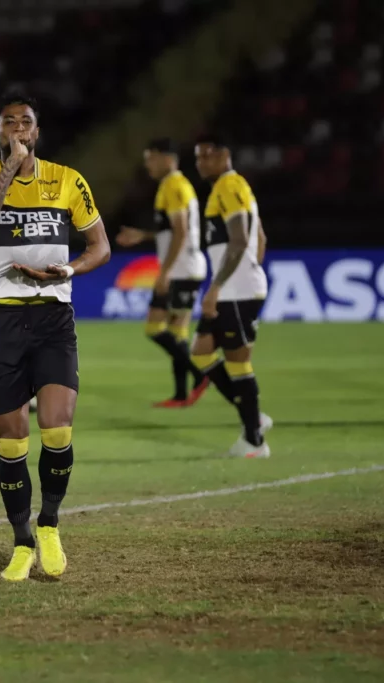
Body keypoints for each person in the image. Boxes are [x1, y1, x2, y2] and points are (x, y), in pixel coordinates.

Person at [0, 91, 111, 581]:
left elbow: (100, 247)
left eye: (26, 123)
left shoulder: (68, 181)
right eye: (9, 123)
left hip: (52, 319)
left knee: (58, 427)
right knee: (11, 441)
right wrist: (13, 167)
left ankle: (49, 524)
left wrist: (66, 269)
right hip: (2, 322)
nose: (19, 130)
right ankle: (21, 540)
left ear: (37, 131)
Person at [190, 137, 272, 458]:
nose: (200, 163)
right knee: (201, 353)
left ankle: (254, 441)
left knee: (238, 363)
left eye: (207, 156)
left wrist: (218, 287)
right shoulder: (234, 187)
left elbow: (239, 241)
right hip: (238, 286)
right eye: (197, 158)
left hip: (234, 291)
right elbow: (260, 238)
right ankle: (254, 417)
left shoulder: (228, 185)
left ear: (225, 155)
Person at [116, 138, 209, 408]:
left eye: (151, 158)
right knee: (177, 332)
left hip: (182, 269)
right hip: (186, 268)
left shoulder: (174, 185)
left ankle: (200, 374)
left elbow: (181, 230)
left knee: (155, 328)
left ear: (167, 158)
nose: (147, 165)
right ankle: (181, 395)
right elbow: (173, 229)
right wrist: (143, 235)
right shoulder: (173, 186)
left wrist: (164, 272)